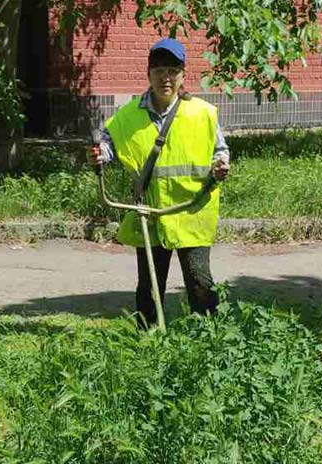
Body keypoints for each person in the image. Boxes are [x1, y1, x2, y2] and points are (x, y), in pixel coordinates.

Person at [92, 37, 230, 329]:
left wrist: (220, 166)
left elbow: (220, 151)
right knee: (150, 285)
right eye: (159, 71)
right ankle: (148, 339)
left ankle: (208, 337)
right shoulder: (130, 114)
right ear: (148, 74)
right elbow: (108, 141)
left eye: (172, 70)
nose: (165, 77)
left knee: (200, 281)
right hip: (150, 215)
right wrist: (99, 154)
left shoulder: (203, 113)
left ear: (182, 75)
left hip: (191, 211)